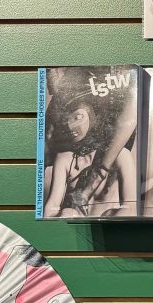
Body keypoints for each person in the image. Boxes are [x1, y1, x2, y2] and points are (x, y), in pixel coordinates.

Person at [42, 73, 138, 218]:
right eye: (66, 120)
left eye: (78, 117)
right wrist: (66, 215)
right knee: (68, 212)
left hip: (107, 231)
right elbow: (51, 208)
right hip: (75, 230)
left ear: (94, 116)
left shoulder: (121, 155)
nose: (71, 126)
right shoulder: (65, 159)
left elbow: (131, 208)